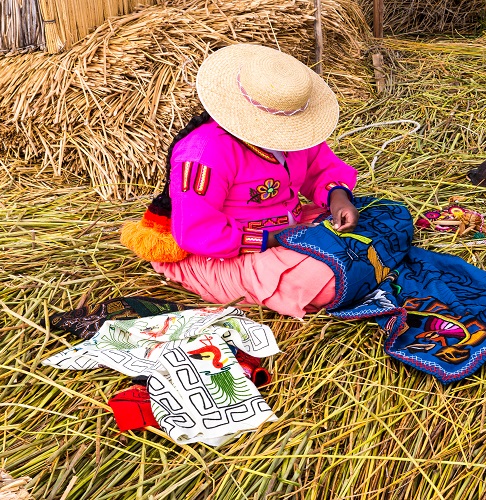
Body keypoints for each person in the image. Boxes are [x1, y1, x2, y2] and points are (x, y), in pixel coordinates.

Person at [127, 44, 360, 319]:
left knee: (383, 216)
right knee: (326, 277)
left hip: (291, 226)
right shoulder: (204, 154)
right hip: (228, 250)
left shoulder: (294, 137)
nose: (287, 135)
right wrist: (276, 240)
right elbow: (197, 230)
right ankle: (193, 275)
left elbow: (321, 167)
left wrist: (339, 200)